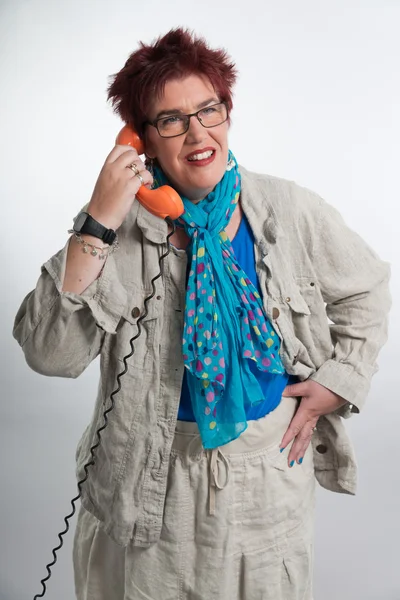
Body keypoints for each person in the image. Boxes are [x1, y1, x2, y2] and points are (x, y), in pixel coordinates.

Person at [13, 27, 391, 600]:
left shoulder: (287, 210)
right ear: (140, 142)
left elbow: (367, 289)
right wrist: (98, 218)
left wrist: (340, 381)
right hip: (146, 483)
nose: (196, 133)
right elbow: (49, 354)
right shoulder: (113, 230)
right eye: (170, 120)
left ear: (227, 114)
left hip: (266, 480)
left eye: (208, 110)